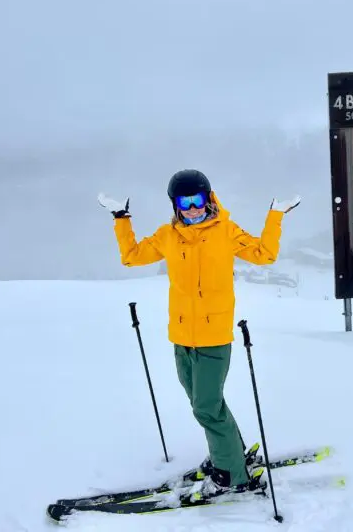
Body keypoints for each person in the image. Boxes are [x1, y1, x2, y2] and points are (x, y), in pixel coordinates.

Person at [98, 169, 301, 495]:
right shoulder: (168, 235)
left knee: (206, 407)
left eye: (198, 200)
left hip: (214, 338)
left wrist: (275, 215)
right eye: (185, 202)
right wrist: (122, 218)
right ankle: (232, 452)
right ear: (176, 205)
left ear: (208, 200)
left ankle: (232, 473)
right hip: (181, 337)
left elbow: (265, 254)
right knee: (207, 403)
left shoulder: (225, 231)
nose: (192, 208)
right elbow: (131, 257)